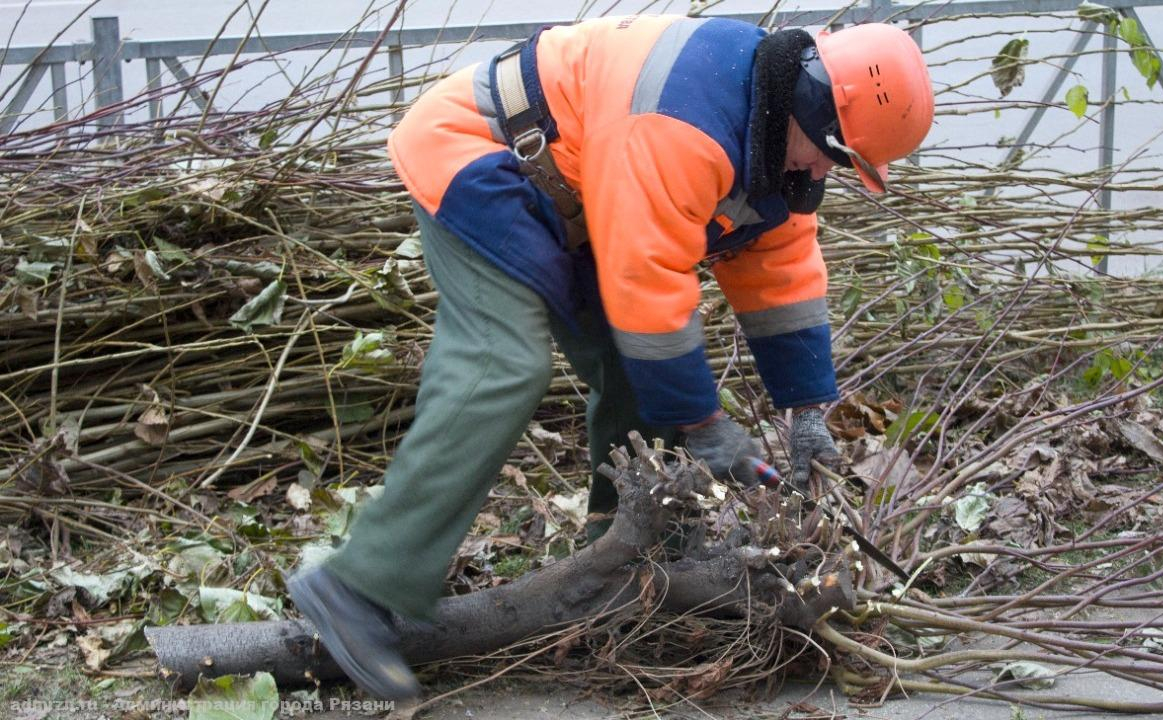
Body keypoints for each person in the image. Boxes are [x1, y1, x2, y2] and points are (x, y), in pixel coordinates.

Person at [287, 13, 933, 701]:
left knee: (638, 374)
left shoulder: (775, 143)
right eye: (835, 155)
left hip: (578, 199)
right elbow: (648, 287)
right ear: (818, 110)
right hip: (484, 155)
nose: (824, 171)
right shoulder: (685, 120)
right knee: (503, 365)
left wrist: (807, 410)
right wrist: (707, 426)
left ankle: (623, 552)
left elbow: (781, 275)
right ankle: (357, 585)